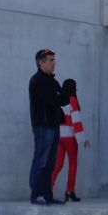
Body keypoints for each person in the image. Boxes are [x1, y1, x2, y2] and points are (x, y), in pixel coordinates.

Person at [28, 48, 65, 205]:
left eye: (54, 59)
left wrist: (60, 97)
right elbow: (54, 100)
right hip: (43, 127)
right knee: (41, 160)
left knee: (50, 163)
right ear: (41, 63)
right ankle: (36, 194)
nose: (54, 62)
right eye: (51, 60)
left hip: (54, 126)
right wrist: (59, 96)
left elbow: (61, 100)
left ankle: (47, 195)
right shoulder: (37, 80)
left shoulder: (53, 82)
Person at [50, 78, 86, 202]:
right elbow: (76, 121)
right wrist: (82, 139)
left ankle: (47, 189)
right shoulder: (72, 100)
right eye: (75, 87)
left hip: (58, 136)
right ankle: (69, 191)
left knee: (58, 164)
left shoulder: (58, 99)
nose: (76, 90)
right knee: (73, 163)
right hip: (70, 137)